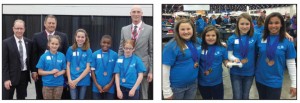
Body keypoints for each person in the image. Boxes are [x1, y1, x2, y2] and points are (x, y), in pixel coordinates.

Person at [255, 12, 296, 99]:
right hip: (260, 79)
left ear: (281, 24)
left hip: (275, 81)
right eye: (270, 23)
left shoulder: (287, 41)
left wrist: (294, 83)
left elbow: (291, 64)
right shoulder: (260, 37)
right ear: (266, 25)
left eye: (277, 23)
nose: (273, 26)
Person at [118, 5, 153, 100]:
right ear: (130, 14)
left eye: (138, 12)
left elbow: (152, 51)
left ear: (142, 14)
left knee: (143, 95)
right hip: (126, 69)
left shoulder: (150, 29)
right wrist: (118, 66)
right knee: (128, 94)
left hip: (143, 68)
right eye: (134, 12)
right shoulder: (124, 29)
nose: (136, 14)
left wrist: (151, 71)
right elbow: (121, 48)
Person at [162, 19, 201, 100]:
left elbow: (209, 43)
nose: (186, 32)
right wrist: (166, 91)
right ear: (177, 31)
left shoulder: (196, 41)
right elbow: (165, 69)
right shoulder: (171, 46)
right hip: (177, 87)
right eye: (182, 29)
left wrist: (220, 43)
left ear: (193, 29)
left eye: (188, 29)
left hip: (193, 84)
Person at [32, 15, 69, 99]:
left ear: (56, 24)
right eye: (49, 23)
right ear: (45, 24)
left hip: (58, 75)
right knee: (40, 95)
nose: (51, 25)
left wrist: (65, 71)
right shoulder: (36, 36)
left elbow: (66, 54)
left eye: (53, 23)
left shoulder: (63, 36)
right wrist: (34, 71)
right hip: (42, 72)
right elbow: (33, 54)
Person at [227, 13, 260, 99]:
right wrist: (235, 59)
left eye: (247, 24)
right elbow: (229, 55)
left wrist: (285, 33)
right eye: (242, 24)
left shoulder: (255, 36)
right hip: (236, 72)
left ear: (251, 24)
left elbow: (268, 35)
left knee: (245, 96)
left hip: (250, 72)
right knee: (237, 96)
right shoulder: (232, 38)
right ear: (237, 24)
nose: (244, 27)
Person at [2, 19, 33, 99]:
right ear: (13, 29)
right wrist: (6, 79)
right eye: (17, 28)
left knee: (21, 98)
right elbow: (3, 63)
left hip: (24, 76)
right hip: (10, 77)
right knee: (7, 98)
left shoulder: (29, 42)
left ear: (24, 29)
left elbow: (30, 59)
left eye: (21, 28)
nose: (19, 30)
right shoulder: (6, 43)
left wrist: (33, 71)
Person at [198, 26, 228, 100]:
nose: (210, 38)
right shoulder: (199, 47)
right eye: (208, 35)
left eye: (213, 35)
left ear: (217, 36)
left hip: (217, 82)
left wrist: (228, 63)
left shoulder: (222, 48)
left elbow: (225, 60)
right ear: (204, 36)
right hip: (202, 82)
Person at [35, 35, 66, 99]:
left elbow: (64, 69)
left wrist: (60, 73)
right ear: (49, 44)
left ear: (59, 45)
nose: (54, 46)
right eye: (52, 43)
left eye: (56, 44)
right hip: (47, 85)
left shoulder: (62, 55)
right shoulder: (43, 56)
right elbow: (39, 72)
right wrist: (51, 72)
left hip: (59, 85)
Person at [66, 29, 92, 99]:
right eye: (78, 36)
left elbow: (88, 68)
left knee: (81, 99)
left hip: (83, 79)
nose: (80, 39)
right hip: (72, 79)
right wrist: (69, 80)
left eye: (82, 37)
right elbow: (68, 65)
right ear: (75, 37)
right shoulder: (70, 49)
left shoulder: (88, 50)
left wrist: (77, 80)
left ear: (85, 38)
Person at [91, 35, 118, 100]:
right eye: (104, 42)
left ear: (111, 44)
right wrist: (97, 85)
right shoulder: (95, 54)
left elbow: (116, 72)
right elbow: (92, 71)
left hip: (110, 87)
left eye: (108, 43)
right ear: (100, 43)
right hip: (97, 87)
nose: (106, 44)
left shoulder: (115, 55)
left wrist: (109, 85)